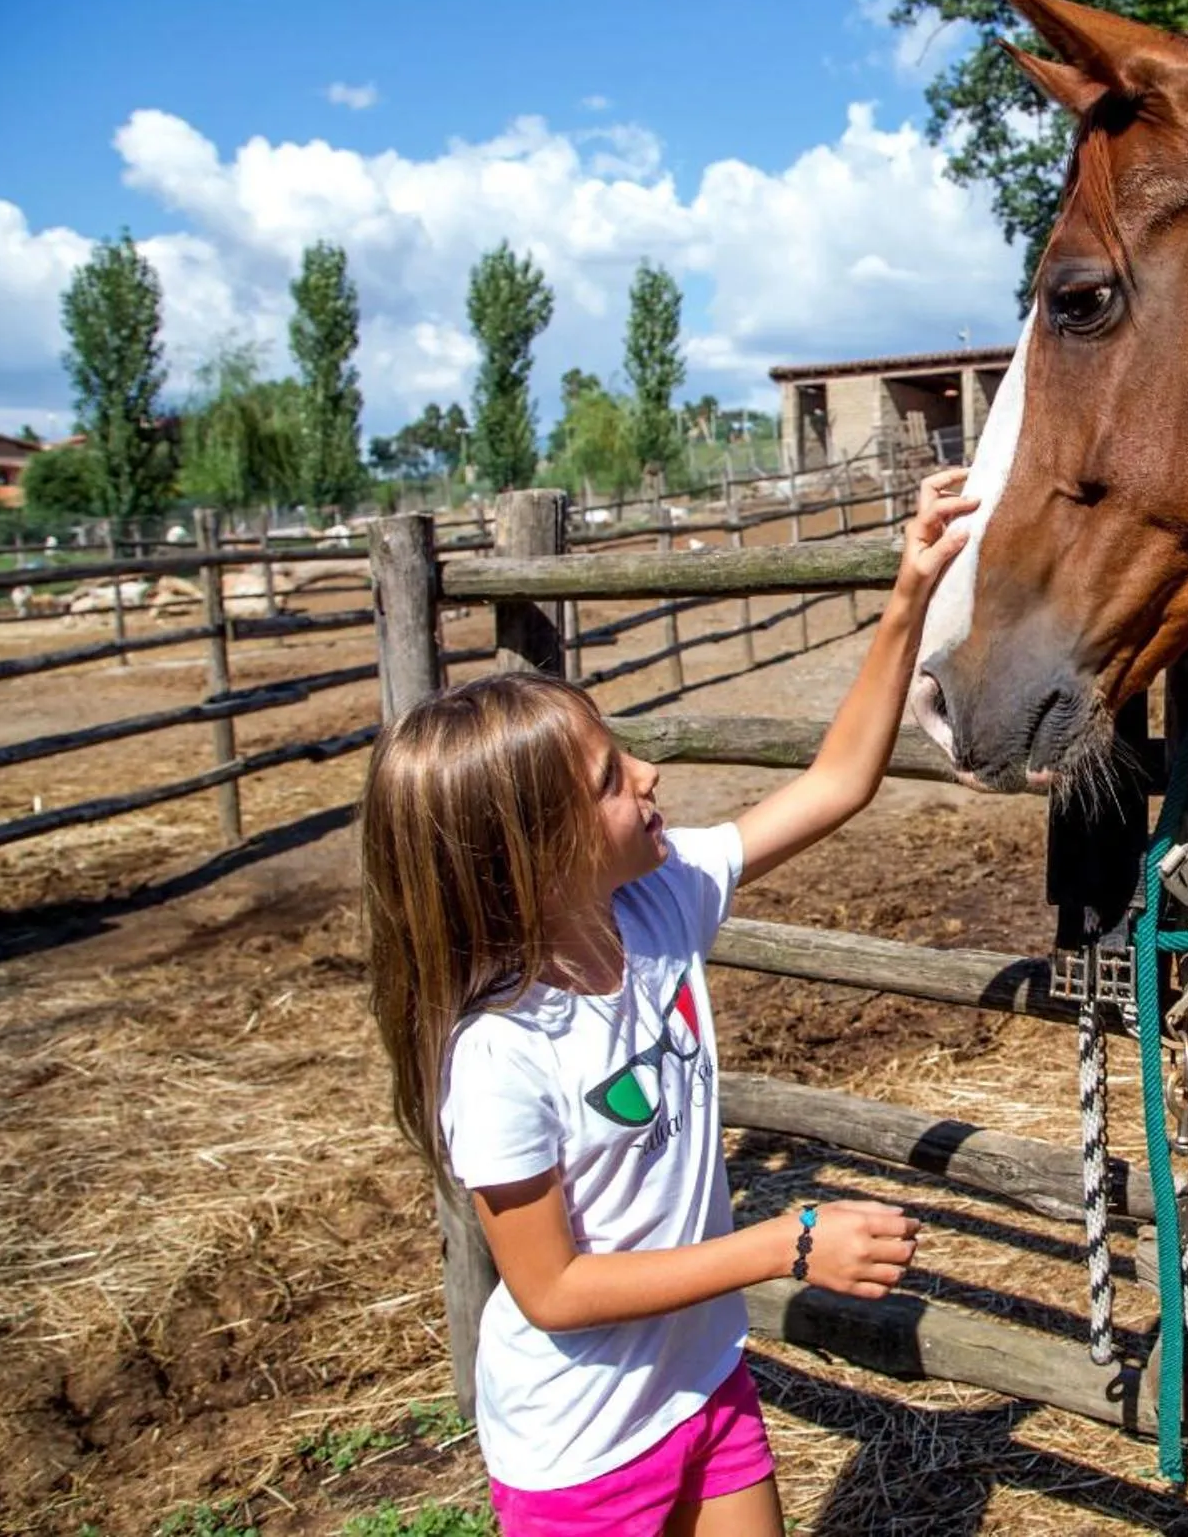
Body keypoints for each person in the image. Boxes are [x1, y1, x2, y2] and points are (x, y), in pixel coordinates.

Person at [363, 468, 976, 1537]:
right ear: (530, 850)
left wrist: (909, 591)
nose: (648, 772)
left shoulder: (653, 903)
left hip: (704, 1380)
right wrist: (782, 1245)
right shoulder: (501, 1053)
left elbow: (836, 782)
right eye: (607, 777)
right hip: (579, 1444)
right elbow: (552, 1289)